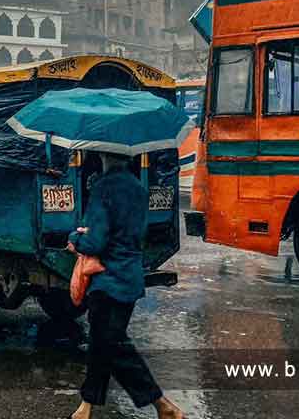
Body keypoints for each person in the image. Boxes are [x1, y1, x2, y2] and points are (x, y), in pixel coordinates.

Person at [65, 152, 184, 419]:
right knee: (102, 342)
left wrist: (75, 238)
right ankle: (86, 407)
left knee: (111, 344)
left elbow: (95, 243)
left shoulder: (103, 188)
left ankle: (163, 405)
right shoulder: (138, 189)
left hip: (107, 281)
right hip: (130, 277)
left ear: (103, 155)